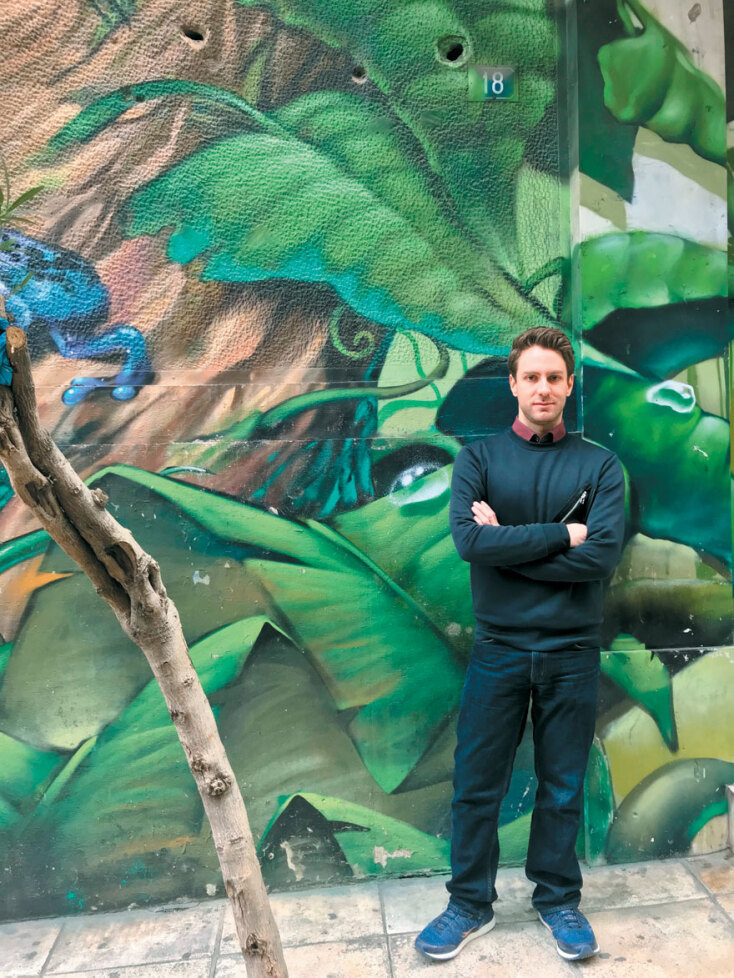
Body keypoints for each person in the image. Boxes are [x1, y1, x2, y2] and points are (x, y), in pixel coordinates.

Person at [415, 326, 626, 963]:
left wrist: (507, 543)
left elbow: (601, 559)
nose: (542, 388)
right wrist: (563, 536)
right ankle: (468, 905)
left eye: (553, 378)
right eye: (531, 377)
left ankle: (558, 900)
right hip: (499, 649)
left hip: (572, 653)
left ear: (568, 386)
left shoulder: (600, 466)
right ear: (512, 384)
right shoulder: (478, 461)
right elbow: (470, 543)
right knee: (477, 784)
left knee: (562, 785)